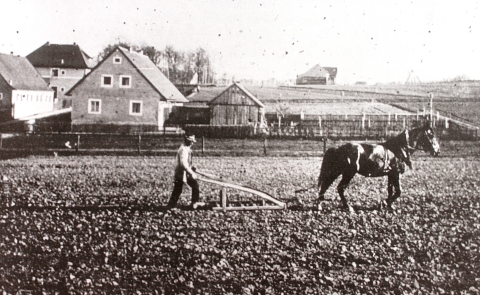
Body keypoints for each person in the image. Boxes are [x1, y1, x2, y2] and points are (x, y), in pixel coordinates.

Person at [167, 134, 200, 209]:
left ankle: (194, 203)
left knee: (194, 185)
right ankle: (171, 205)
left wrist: (192, 168)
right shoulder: (183, 150)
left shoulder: (187, 148)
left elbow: (187, 162)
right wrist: (191, 173)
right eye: (190, 141)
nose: (192, 143)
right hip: (181, 173)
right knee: (178, 189)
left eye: (192, 142)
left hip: (185, 172)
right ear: (186, 141)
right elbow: (183, 164)